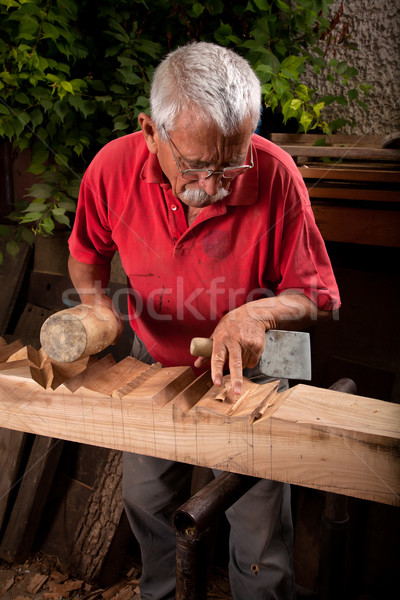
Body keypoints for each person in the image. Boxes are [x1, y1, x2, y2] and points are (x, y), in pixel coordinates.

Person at [68, 42, 340, 600]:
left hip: (256, 361)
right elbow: (85, 253)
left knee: (259, 528)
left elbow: (318, 297)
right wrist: (96, 307)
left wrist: (255, 313)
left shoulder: (276, 173)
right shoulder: (111, 169)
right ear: (150, 132)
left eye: (229, 163)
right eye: (194, 165)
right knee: (146, 499)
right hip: (155, 355)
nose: (214, 184)